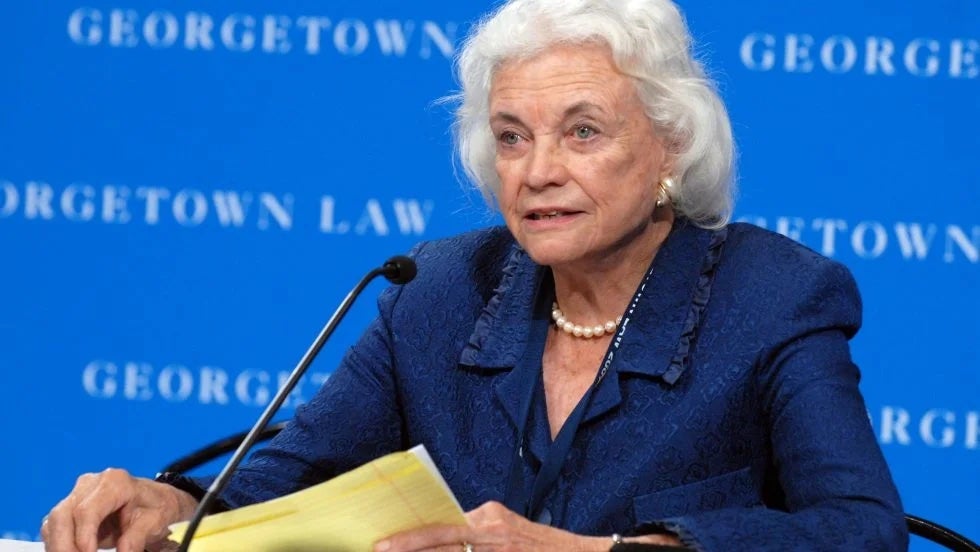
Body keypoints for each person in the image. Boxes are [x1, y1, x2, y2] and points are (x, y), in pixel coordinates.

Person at [41, 0, 909, 550]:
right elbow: (293, 474)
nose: (536, 172)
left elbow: (861, 530)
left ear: (670, 150)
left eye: (582, 132)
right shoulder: (441, 292)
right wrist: (169, 502)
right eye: (511, 137)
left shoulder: (776, 298)